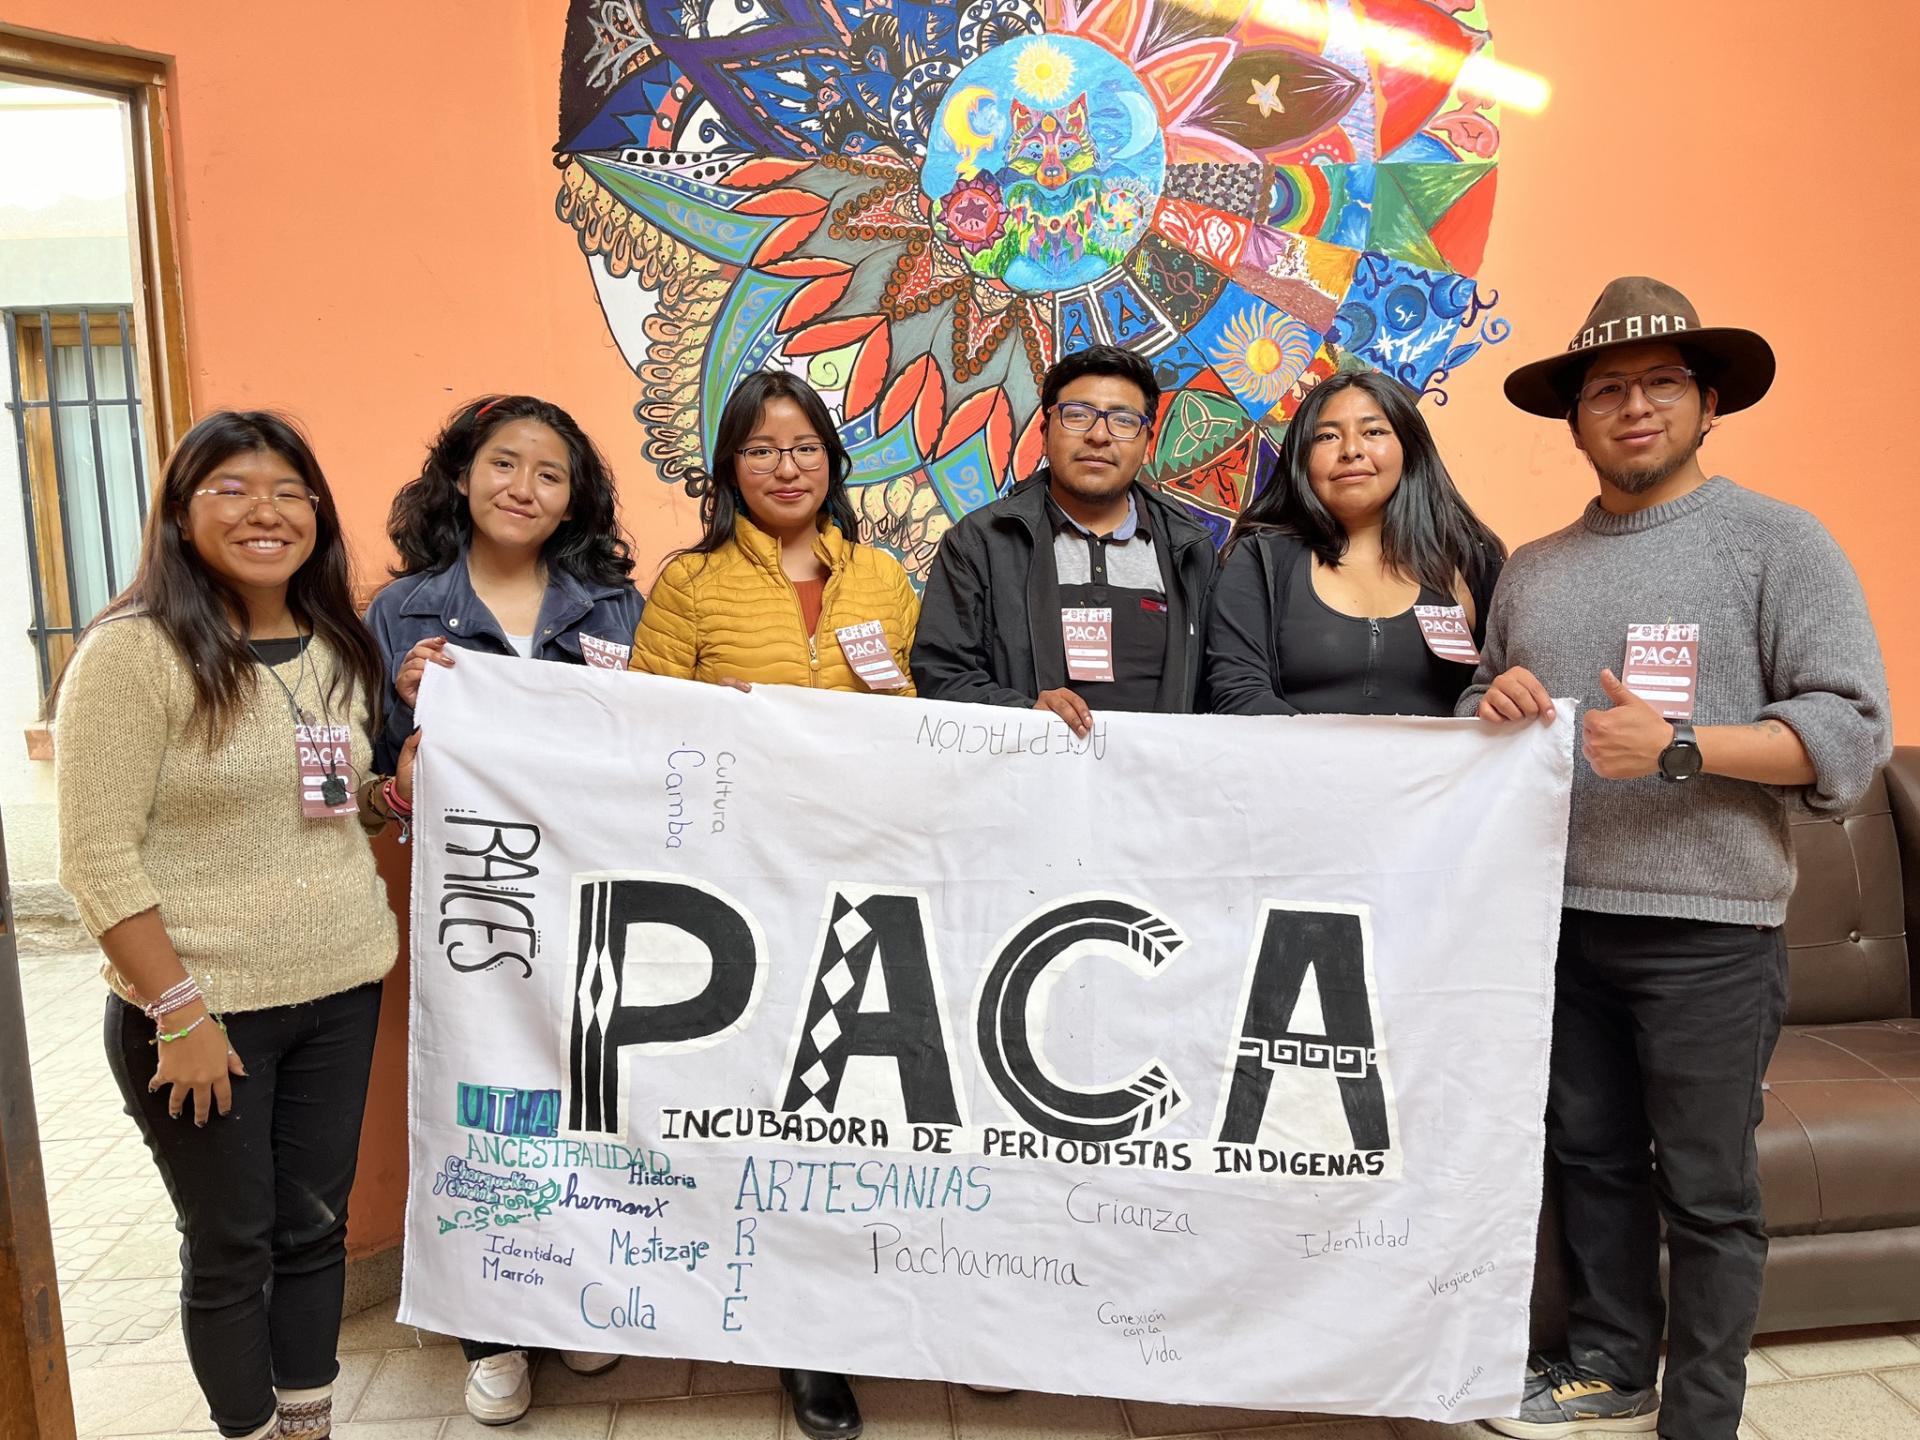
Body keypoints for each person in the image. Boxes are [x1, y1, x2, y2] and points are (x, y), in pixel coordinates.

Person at [1462, 277, 1891, 1440]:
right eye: (1608, 390)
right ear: (1575, 419)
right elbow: (1481, 706)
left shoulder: (1778, 542)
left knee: (1708, 1189)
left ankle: (1703, 1415)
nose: (1635, 407)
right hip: (1556, 922)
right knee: (1590, 1158)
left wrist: (1684, 745)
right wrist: (1486, 701)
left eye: (1661, 384)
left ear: (1709, 404)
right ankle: (1611, 1364)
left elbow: (1851, 731)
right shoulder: (1534, 567)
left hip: (1711, 930)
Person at [53, 411, 413, 1440]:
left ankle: (307, 1423)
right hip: (204, 1011)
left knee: (313, 1232)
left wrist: (394, 792)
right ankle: (249, 1429)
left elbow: (333, 802)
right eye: (233, 489)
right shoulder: (133, 656)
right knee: (231, 1245)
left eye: (290, 492)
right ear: (180, 512)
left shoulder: (334, 643)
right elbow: (95, 858)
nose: (267, 512)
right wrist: (178, 1010)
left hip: (339, 992)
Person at [629, 368, 918, 1440]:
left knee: (862, 1112)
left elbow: (925, 715)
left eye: (804, 448)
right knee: (775, 1115)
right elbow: (642, 731)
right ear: (729, 469)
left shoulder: (883, 577)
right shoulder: (691, 584)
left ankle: (877, 1306)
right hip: (742, 886)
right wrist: (713, 720)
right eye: (761, 449)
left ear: (833, 463)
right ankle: (800, 1340)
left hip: (865, 878)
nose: (786, 468)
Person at [365, 393, 643, 1423]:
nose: (524, 487)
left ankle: (573, 1301)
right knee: (484, 1105)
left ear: (575, 500)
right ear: (461, 475)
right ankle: (492, 1331)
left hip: (594, 895)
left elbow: (651, 741)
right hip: (476, 907)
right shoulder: (403, 613)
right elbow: (375, 779)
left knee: (591, 1095)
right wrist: (407, 725)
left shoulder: (613, 605)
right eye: (503, 464)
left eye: (549, 473)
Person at [910, 344, 1217, 731]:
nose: (1098, 435)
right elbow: (942, 674)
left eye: (1123, 420)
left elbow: (1219, 685)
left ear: (1147, 444)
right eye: (1077, 415)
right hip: (1027, 763)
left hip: (1157, 766)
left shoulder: (1189, 548)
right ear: (1044, 433)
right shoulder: (980, 542)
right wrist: (1026, 714)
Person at [1205, 369, 1504, 716]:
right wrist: (1344, 751)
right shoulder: (1261, 558)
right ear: (1301, 457)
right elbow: (1238, 694)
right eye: (1327, 436)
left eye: (1373, 431)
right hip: (1289, 753)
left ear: (1409, 447)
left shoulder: (1470, 560)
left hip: (1441, 756)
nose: (1350, 450)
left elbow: (1495, 691)